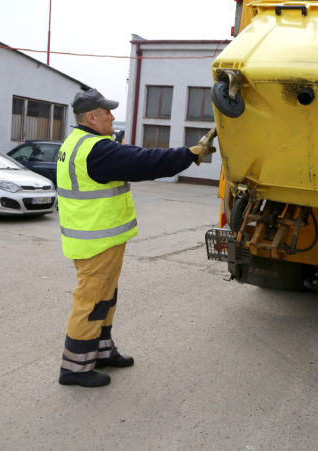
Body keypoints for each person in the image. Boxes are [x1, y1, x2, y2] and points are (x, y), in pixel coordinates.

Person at [57, 88, 216, 387]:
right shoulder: (96, 149)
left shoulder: (76, 142)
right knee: (91, 302)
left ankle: (101, 352)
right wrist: (189, 154)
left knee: (104, 299)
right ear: (92, 117)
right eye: (107, 113)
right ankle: (75, 369)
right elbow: (144, 161)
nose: (113, 117)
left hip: (95, 239)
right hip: (95, 241)